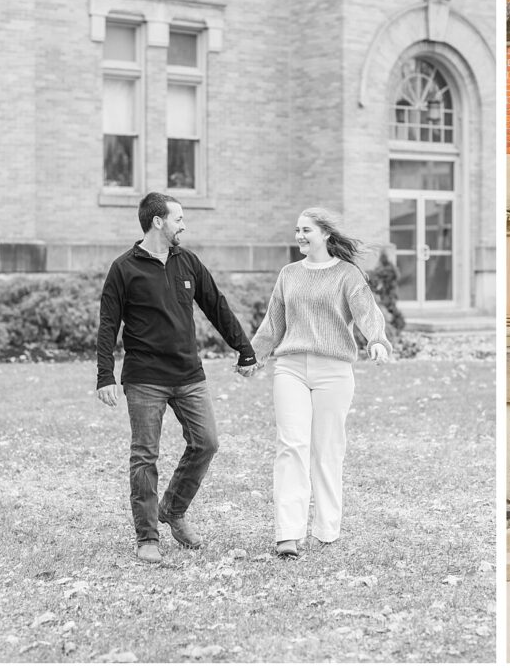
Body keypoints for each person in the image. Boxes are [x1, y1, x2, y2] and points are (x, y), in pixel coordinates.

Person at [96, 192, 258, 565]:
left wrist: (243, 348)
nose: (183, 225)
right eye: (178, 219)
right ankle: (147, 536)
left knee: (207, 442)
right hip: (145, 378)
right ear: (158, 222)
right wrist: (105, 375)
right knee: (144, 456)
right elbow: (108, 325)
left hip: (188, 373)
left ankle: (173, 508)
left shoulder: (187, 261)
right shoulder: (124, 268)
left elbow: (216, 305)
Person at [247, 207, 391, 559]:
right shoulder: (289, 274)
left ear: (325, 233)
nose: (299, 236)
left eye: (306, 230)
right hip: (291, 367)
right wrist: (253, 355)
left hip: (334, 370)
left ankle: (326, 530)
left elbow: (367, 312)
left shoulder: (347, 274)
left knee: (327, 451)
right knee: (291, 446)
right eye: (297, 229)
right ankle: (287, 534)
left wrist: (376, 340)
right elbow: (273, 322)